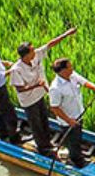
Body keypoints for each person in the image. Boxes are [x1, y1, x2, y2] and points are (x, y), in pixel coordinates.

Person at [9, 27, 76, 157]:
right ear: (26, 55)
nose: (35, 51)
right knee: (36, 124)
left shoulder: (36, 55)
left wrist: (66, 34)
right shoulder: (16, 69)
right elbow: (19, 89)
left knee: (44, 120)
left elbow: (50, 44)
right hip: (29, 101)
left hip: (40, 95)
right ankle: (43, 148)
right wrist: (35, 85)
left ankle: (48, 143)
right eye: (32, 50)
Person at [48, 57, 95, 168]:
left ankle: (77, 154)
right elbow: (54, 108)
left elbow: (84, 82)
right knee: (72, 141)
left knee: (77, 137)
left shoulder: (72, 75)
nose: (72, 68)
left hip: (78, 114)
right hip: (68, 120)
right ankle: (76, 161)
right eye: (70, 67)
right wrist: (69, 121)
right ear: (62, 71)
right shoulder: (55, 88)